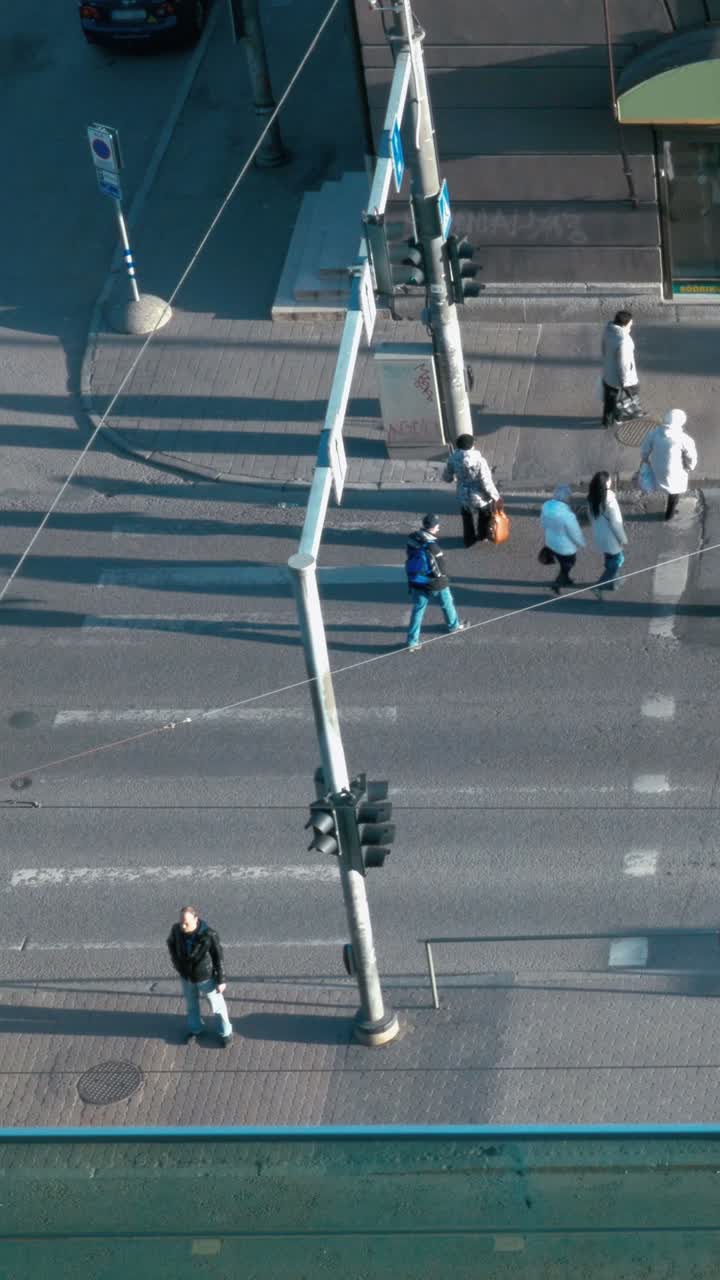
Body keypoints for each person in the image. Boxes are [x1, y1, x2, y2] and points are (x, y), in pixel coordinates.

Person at [167, 906, 233, 1047]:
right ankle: (195, 1029)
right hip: (187, 976)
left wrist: (221, 980)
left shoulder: (209, 935)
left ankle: (226, 1033)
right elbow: (171, 943)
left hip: (205, 977)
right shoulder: (176, 930)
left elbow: (218, 958)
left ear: (196, 920)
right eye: (181, 922)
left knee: (217, 1006)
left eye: (186, 923)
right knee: (191, 1005)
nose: (183, 926)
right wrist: (176, 962)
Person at [405, 514, 466, 652]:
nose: (439, 528)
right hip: (433, 582)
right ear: (432, 527)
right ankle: (453, 625)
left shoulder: (413, 537)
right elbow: (440, 570)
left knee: (418, 610)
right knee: (447, 601)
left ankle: (412, 641)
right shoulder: (433, 547)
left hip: (416, 580)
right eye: (437, 525)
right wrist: (444, 578)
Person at [442, 433, 500, 547]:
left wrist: (452, 477)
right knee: (484, 515)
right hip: (480, 496)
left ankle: (469, 540)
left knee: (467, 518)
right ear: (471, 446)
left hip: (464, 495)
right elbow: (486, 482)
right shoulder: (480, 461)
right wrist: (496, 496)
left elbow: (447, 477)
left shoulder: (453, 459)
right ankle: (482, 535)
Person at [640, 408, 698, 521]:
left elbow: (644, 450)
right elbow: (691, 457)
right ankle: (669, 514)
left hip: (657, 467)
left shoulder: (654, 433)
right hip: (674, 471)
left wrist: (645, 459)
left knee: (661, 483)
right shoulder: (684, 439)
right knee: (674, 491)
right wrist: (690, 467)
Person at [586, 470, 628, 599]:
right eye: (609, 480)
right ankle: (599, 586)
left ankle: (613, 582)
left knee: (609, 558)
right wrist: (623, 539)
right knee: (617, 560)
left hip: (600, 536)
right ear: (606, 484)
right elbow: (616, 524)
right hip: (611, 538)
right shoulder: (610, 501)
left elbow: (590, 518)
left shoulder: (591, 498)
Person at [540, 484, 585, 593]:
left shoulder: (548, 507)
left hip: (551, 542)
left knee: (563, 562)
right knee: (569, 562)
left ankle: (565, 578)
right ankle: (558, 583)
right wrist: (581, 542)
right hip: (565, 545)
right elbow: (574, 531)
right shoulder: (568, 514)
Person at [601, 309, 639, 427]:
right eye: (630, 324)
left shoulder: (608, 331)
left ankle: (607, 422)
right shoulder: (624, 341)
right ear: (625, 324)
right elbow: (624, 365)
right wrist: (626, 383)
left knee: (609, 400)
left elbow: (603, 349)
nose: (631, 327)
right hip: (619, 378)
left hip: (608, 374)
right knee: (631, 395)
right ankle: (621, 415)